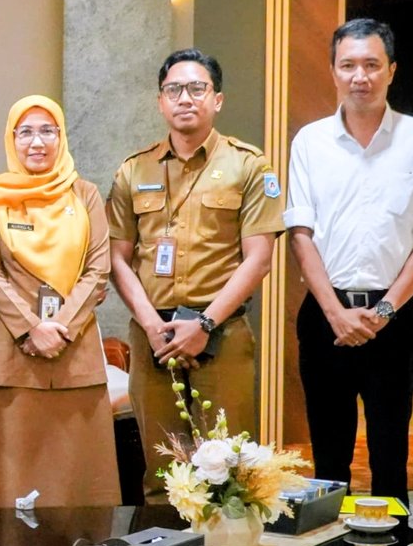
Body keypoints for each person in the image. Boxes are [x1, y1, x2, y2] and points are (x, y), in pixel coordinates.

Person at [286, 19, 413, 507]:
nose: (360, 76)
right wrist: (336, 313)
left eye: (372, 65)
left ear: (391, 71)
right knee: (328, 460)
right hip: (325, 318)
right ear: (333, 71)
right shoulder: (309, 141)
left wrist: (384, 311)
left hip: (393, 320)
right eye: (349, 65)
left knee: (390, 456)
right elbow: (300, 235)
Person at [107, 49, 284, 499]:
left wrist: (204, 324)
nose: (185, 98)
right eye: (174, 90)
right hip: (153, 337)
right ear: (160, 101)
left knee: (231, 473)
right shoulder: (134, 170)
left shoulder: (249, 165)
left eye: (197, 88)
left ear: (217, 99)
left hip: (221, 333)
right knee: (163, 473)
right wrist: (152, 326)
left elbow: (259, 259)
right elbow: (116, 258)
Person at [0, 95, 120, 507]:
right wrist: (31, 328)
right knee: (5, 474)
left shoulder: (85, 195)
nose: (37, 142)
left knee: (76, 477)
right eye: (26, 132)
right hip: (9, 351)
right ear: (11, 139)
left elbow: (98, 269)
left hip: (75, 349)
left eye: (48, 131)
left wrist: (59, 327)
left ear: (61, 137)